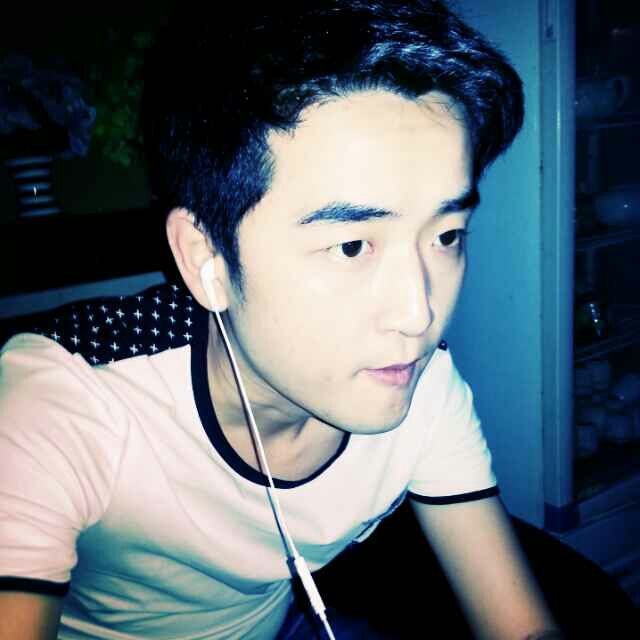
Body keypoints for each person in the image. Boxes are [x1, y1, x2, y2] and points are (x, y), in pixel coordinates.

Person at [0, 2, 566, 638]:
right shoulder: (69, 394)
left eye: (447, 235)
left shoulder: (420, 387)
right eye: (351, 246)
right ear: (207, 259)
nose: (420, 315)